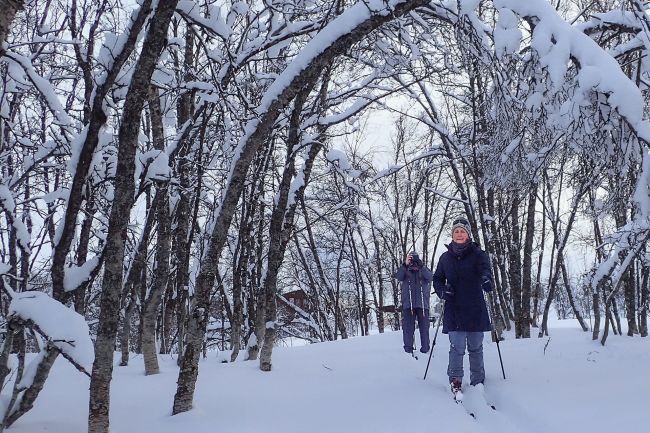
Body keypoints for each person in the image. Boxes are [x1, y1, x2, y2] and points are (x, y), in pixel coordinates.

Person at [432, 217, 493, 396]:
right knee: (457, 347)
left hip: (475, 307)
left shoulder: (478, 254)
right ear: (453, 235)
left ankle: (478, 380)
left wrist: (486, 279)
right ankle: (456, 380)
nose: (459, 234)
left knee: (475, 347)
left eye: (462, 231)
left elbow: (485, 270)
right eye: (456, 231)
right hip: (454, 308)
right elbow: (437, 279)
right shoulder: (445, 258)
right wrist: (443, 291)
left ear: (468, 234)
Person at [394, 250, 433, 354]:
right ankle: (408, 350)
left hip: (422, 305)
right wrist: (405, 265)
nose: (414, 262)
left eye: (415, 259)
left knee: (424, 329)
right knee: (408, 329)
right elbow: (398, 277)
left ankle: (425, 350)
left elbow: (430, 277)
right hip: (408, 305)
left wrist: (422, 267)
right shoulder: (405, 270)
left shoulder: (422, 269)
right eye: (412, 259)